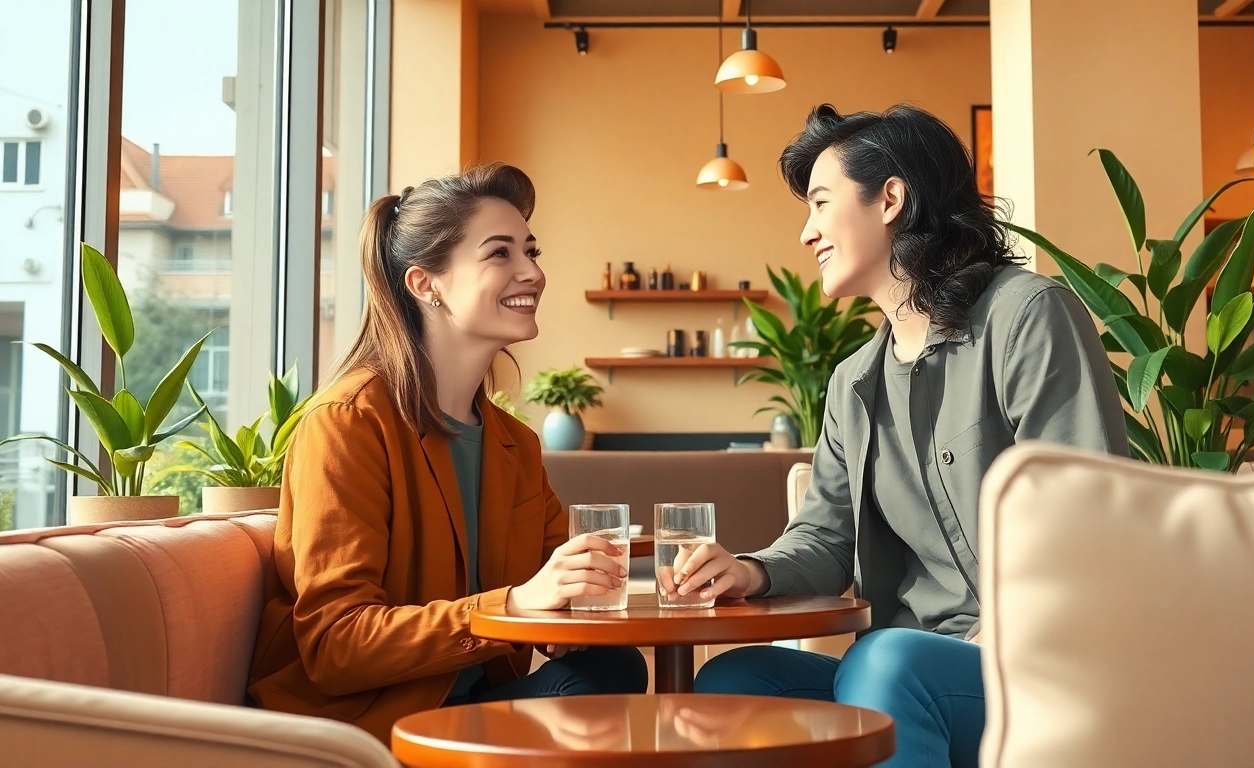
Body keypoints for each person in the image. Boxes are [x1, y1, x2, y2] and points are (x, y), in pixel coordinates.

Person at [683, 104, 1128, 768]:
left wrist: (1000, 629)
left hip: (1039, 665)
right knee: (732, 684)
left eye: (821, 204)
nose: (806, 234)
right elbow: (825, 538)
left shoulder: (1027, 315)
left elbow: (1086, 515)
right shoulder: (853, 382)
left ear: (890, 198)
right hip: (908, 665)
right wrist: (750, 570)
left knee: (888, 662)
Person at [248, 164, 646, 743]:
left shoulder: (515, 444)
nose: (532, 272)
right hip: (360, 726)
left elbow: (561, 576)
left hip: (468, 707)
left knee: (610, 667)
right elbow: (337, 645)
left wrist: (605, 594)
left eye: (531, 251)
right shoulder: (348, 424)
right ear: (425, 283)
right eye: (500, 254)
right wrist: (515, 606)